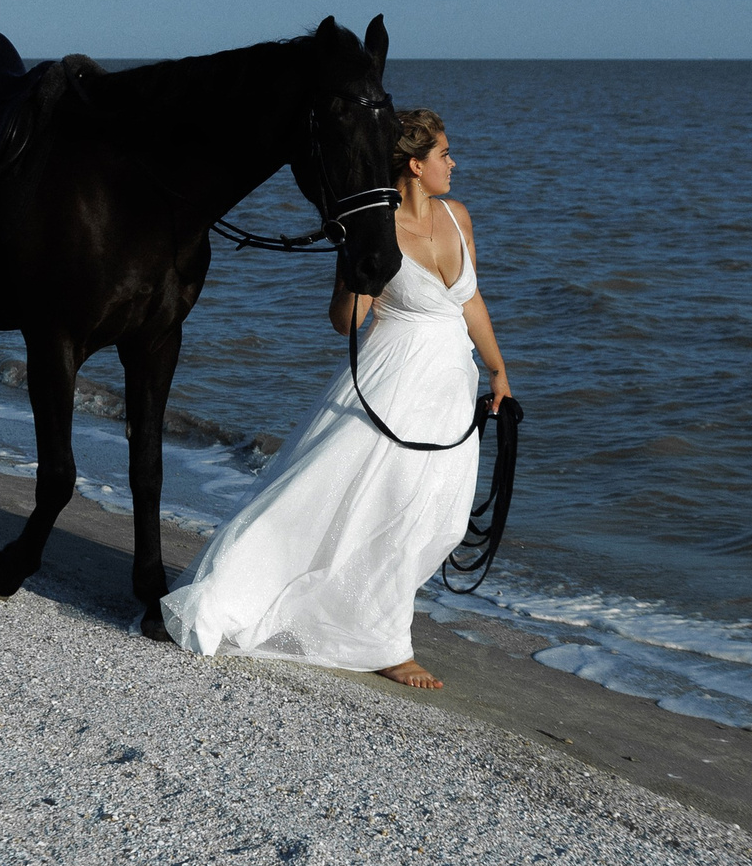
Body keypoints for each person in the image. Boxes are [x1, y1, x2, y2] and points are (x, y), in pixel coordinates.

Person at [159, 109, 513, 688]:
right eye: (445, 154)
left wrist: (498, 371)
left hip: (451, 388)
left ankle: (366, 626)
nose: (454, 163)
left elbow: (470, 302)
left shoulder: (458, 216)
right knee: (334, 502)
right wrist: (355, 268)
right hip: (389, 384)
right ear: (415, 165)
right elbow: (344, 321)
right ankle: (383, 642)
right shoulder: (371, 225)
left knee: (436, 519)